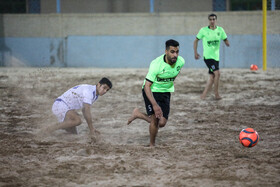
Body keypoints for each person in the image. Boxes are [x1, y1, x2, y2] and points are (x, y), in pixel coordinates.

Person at [127, 39, 185, 147]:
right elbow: (147, 86)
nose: (175, 55)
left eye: (177, 52)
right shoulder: (156, 64)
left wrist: (168, 84)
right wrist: (155, 105)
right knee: (155, 119)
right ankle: (152, 145)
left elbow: (175, 73)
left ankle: (138, 114)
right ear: (166, 51)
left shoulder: (181, 61)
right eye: (172, 52)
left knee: (162, 123)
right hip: (151, 91)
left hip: (166, 92)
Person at [43, 77, 112, 137]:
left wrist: (91, 128)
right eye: (104, 88)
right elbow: (86, 110)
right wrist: (91, 129)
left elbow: (84, 111)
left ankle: (54, 134)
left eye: (107, 90)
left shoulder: (95, 94)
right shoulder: (89, 92)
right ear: (99, 84)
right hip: (60, 105)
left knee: (73, 136)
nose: (105, 91)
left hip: (64, 106)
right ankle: (49, 129)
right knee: (77, 120)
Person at [193, 13, 230, 100]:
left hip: (216, 57)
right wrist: (195, 52)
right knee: (217, 73)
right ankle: (216, 94)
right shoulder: (203, 30)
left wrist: (227, 42)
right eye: (210, 19)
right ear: (208, 20)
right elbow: (195, 41)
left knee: (212, 76)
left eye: (214, 19)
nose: (212, 21)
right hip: (208, 57)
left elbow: (225, 39)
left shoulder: (220, 30)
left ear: (216, 20)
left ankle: (203, 95)